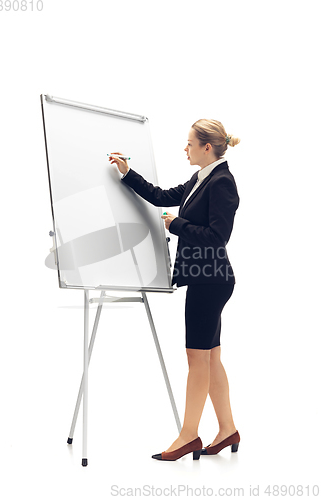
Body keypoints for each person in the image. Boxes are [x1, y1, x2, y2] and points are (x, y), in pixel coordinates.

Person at [109, 118, 240, 461]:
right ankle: (227, 430)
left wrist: (176, 224)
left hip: (210, 280)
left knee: (197, 358)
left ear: (206, 147)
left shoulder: (223, 182)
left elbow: (217, 237)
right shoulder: (202, 178)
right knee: (209, 357)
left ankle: (188, 436)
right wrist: (127, 174)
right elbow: (162, 196)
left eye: (190, 143)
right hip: (205, 278)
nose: (185, 148)